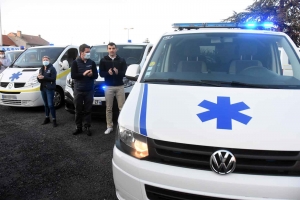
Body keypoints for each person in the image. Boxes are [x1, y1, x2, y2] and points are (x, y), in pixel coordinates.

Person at [100, 42, 127, 134]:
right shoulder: (103, 60)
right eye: (110, 48)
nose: (111, 50)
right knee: (108, 108)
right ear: (107, 49)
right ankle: (109, 126)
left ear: (116, 49)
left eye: (113, 48)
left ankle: (122, 127)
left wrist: (117, 72)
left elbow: (125, 73)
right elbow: (101, 73)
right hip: (108, 86)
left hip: (120, 86)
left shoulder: (121, 60)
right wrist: (108, 73)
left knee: (121, 107)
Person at [71, 44, 98, 136]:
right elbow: (73, 76)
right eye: (87, 52)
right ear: (81, 52)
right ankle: (78, 127)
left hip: (89, 90)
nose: (88, 54)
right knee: (78, 110)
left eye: (89, 52)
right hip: (78, 90)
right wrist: (83, 74)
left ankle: (87, 127)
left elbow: (96, 76)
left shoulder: (92, 63)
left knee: (88, 110)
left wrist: (91, 75)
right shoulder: (75, 62)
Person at [37, 56, 57, 127]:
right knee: (45, 104)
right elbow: (40, 80)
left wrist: (44, 77)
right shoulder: (41, 69)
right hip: (43, 88)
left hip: (50, 88)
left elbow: (53, 78)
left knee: (50, 105)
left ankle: (54, 119)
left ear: (49, 60)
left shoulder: (52, 68)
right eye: (44, 60)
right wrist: (38, 77)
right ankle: (47, 118)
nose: (45, 61)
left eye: (46, 60)